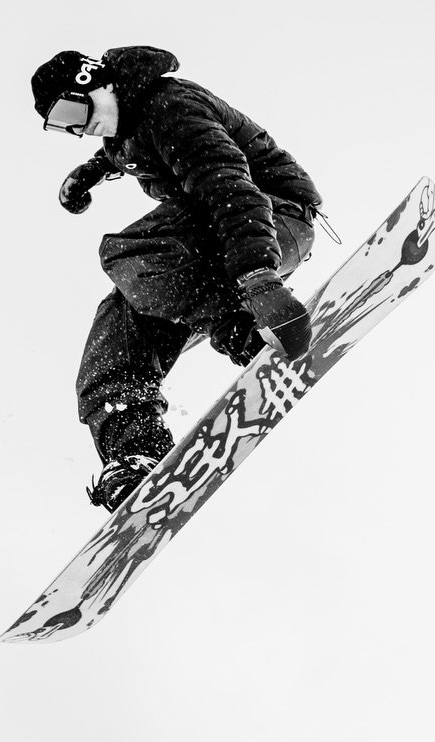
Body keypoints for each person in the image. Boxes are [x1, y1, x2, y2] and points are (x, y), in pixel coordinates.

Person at [31, 46, 323, 511]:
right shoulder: (124, 128)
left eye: (72, 112)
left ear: (93, 80)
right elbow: (121, 152)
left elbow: (226, 184)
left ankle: (240, 330)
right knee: (119, 318)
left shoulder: (170, 107)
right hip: (216, 250)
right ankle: (137, 448)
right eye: (62, 126)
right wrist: (88, 174)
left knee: (129, 255)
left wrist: (260, 281)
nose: (78, 129)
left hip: (272, 220)